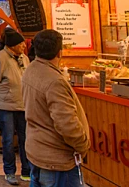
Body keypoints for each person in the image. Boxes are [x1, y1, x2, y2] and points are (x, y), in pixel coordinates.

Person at [22, 29, 89, 187]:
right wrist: (83, 144)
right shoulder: (54, 81)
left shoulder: (30, 70)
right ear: (60, 52)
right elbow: (67, 124)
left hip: (36, 150)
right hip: (56, 159)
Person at [0, 30, 31, 185]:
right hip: (5, 106)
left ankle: (27, 171)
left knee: (26, 139)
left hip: (23, 105)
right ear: (12, 45)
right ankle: (9, 171)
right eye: (21, 43)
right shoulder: (0, 58)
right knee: (8, 140)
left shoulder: (24, 58)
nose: (24, 45)